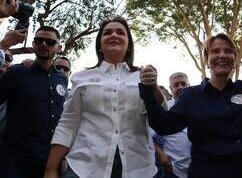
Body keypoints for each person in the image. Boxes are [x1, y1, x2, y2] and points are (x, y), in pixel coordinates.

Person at [139, 27, 242, 178]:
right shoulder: (191, 96)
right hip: (206, 171)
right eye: (215, 51)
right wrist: (147, 89)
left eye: (228, 51)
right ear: (207, 60)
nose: (222, 55)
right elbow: (163, 125)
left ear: (235, 59)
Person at [44, 16, 160, 178]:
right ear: (99, 45)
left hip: (139, 169)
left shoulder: (143, 76)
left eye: (121, 32)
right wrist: (51, 169)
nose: (114, 35)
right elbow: (68, 124)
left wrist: (153, 87)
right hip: (84, 168)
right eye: (107, 33)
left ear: (128, 46)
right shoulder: (81, 77)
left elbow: (161, 119)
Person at [0, 26, 68, 178]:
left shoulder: (62, 79)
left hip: (49, 164)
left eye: (50, 42)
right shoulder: (17, 72)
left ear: (58, 48)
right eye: (39, 40)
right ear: (33, 44)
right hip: (16, 163)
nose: (44, 44)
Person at [155, 72, 191, 178]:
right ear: (171, 89)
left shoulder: (200, 106)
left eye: (183, 84)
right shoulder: (164, 110)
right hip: (173, 170)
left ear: (189, 86)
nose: (180, 87)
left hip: (200, 168)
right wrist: (162, 156)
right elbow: (148, 136)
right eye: (176, 85)